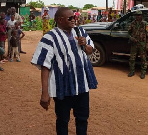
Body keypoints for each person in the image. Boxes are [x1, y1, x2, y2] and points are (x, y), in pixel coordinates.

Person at [31, 7, 98, 135]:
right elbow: (45, 66)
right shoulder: (50, 37)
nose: (74, 20)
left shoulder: (80, 31)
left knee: (83, 119)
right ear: (60, 20)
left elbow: (91, 51)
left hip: (81, 86)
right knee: (62, 120)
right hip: (62, 87)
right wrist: (45, 93)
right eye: (70, 18)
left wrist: (85, 45)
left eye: (75, 17)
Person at [128, 10, 148, 79]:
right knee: (132, 58)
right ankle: (132, 71)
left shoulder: (145, 24)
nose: (138, 16)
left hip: (142, 43)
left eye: (139, 15)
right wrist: (131, 38)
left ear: (141, 16)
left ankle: (143, 73)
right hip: (134, 43)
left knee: (143, 59)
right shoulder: (132, 23)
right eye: (136, 15)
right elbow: (128, 32)